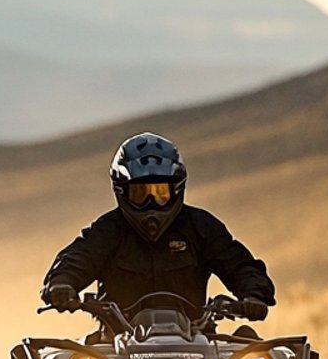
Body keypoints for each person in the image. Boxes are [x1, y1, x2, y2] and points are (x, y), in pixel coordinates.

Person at [40, 133, 275, 321]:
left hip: (195, 341)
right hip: (115, 347)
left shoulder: (201, 227)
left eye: (160, 192)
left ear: (177, 189)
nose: (151, 202)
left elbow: (240, 264)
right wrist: (62, 284)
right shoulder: (108, 230)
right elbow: (77, 258)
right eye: (141, 193)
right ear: (121, 191)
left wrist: (253, 295)